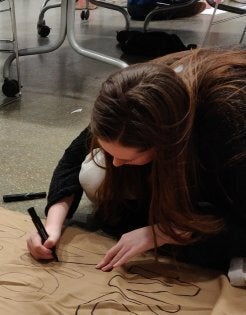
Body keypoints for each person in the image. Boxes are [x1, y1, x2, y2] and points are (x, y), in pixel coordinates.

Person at [27, 48, 246, 276]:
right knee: (95, 177)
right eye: (111, 152)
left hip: (228, 162)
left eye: (127, 158)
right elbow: (72, 159)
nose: (117, 164)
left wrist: (161, 233)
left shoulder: (228, 128)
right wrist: (53, 224)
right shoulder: (125, 103)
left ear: (166, 145)